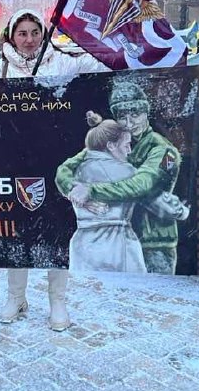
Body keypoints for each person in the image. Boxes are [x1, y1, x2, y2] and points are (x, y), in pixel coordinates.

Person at [0, 8, 110, 331]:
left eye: (35, 33)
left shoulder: (62, 62)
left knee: (56, 233)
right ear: (12, 36)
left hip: (54, 166)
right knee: (16, 235)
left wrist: (96, 40)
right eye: (22, 33)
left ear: (44, 33)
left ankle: (58, 300)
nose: (29, 40)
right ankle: (16, 297)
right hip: (15, 167)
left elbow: (103, 65)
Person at [56, 81, 184, 275]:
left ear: (146, 112)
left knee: (150, 297)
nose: (130, 123)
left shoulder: (164, 151)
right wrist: (74, 190)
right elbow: (65, 168)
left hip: (152, 240)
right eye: (122, 117)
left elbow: (142, 184)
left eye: (135, 114)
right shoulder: (115, 141)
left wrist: (91, 191)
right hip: (116, 239)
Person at [64, 111, 146, 274]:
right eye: (126, 145)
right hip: (118, 245)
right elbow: (153, 198)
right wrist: (180, 211)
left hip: (83, 244)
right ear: (110, 145)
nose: (129, 151)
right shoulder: (128, 171)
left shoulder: (75, 170)